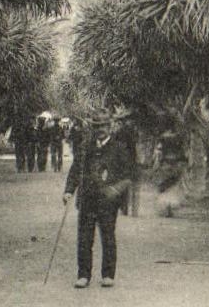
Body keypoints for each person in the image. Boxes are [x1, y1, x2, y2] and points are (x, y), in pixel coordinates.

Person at [64, 110, 137, 288]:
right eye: (97, 126)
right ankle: (83, 275)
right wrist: (68, 191)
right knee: (84, 238)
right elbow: (75, 170)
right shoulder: (85, 147)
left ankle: (108, 275)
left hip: (108, 201)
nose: (100, 130)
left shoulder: (119, 149)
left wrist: (115, 190)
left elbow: (128, 175)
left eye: (104, 126)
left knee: (108, 237)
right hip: (87, 199)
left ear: (110, 127)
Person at [152, 124, 187, 217]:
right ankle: (170, 209)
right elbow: (182, 152)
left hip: (165, 164)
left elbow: (159, 153)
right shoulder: (178, 138)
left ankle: (166, 209)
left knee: (165, 186)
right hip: (175, 163)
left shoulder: (162, 139)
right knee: (173, 186)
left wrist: (157, 164)